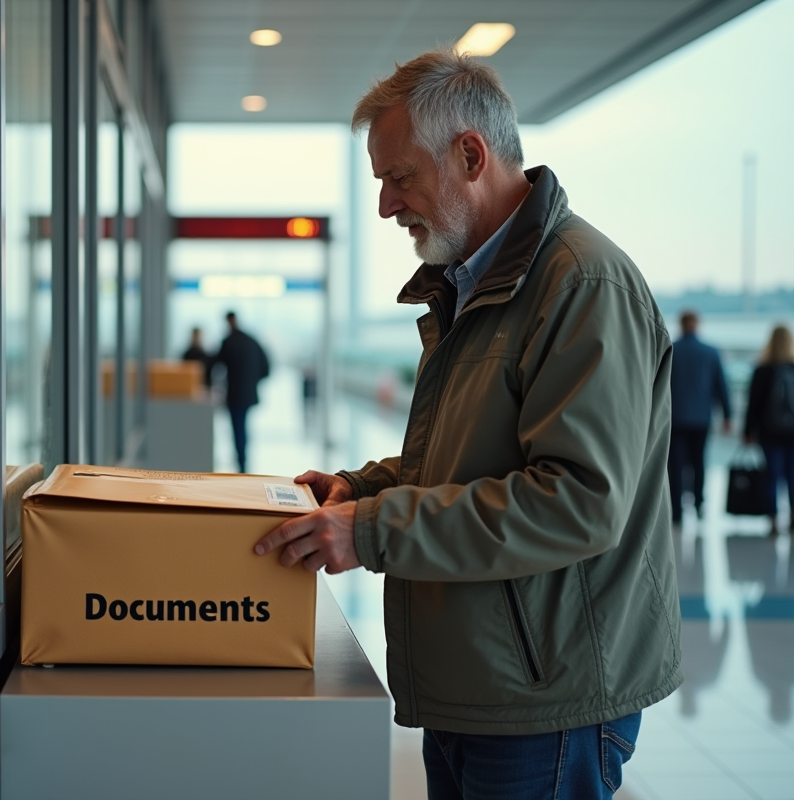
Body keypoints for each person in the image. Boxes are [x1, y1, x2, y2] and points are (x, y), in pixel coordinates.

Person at [254, 48, 681, 799]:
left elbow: (577, 500)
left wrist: (372, 529)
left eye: (399, 177)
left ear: (470, 154)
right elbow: (468, 462)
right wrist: (358, 488)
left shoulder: (580, 284)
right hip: (483, 683)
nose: (387, 204)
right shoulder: (475, 286)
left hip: (545, 701)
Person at [668, 310, 733, 523]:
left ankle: (676, 508)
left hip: (675, 417)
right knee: (699, 461)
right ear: (697, 324)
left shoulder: (671, 350)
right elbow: (721, 387)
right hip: (701, 417)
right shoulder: (711, 352)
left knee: (675, 463)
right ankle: (698, 504)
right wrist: (727, 415)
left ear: (681, 324)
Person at [743, 324, 794, 537]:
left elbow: (753, 404)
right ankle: (792, 519)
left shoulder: (762, 370)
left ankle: (772, 520)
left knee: (771, 476)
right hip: (792, 433)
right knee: (792, 476)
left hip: (769, 432)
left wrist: (748, 431)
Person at [211, 311, 269, 473]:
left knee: (238, 427)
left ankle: (241, 460)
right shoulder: (251, 340)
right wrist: (252, 381)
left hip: (235, 394)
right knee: (242, 426)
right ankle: (243, 460)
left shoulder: (228, 342)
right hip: (248, 393)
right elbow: (266, 366)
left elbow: (215, 364)